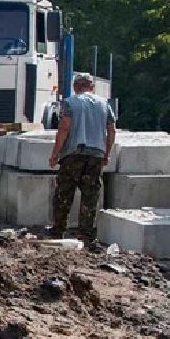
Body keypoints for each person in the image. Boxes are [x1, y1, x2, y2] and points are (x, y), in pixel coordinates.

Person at [48, 72, 118, 249]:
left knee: (64, 193)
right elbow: (111, 130)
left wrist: (55, 153)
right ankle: (86, 236)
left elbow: (64, 128)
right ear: (92, 87)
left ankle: (58, 231)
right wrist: (107, 153)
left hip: (73, 154)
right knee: (90, 196)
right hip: (95, 155)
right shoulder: (104, 104)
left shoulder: (70, 103)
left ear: (75, 87)